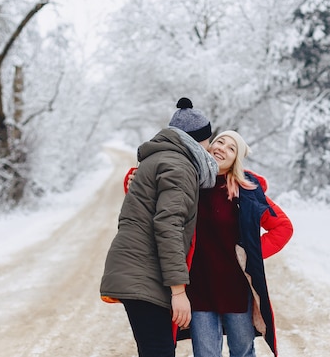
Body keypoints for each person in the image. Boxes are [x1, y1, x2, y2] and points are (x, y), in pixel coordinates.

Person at [100, 97, 218, 357]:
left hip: (140, 270)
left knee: (156, 350)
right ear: (198, 140)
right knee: (159, 350)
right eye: (208, 140)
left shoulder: (161, 159)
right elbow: (168, 225)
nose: (210, 148)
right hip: (144, 273)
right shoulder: (180, 166)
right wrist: (178, 291)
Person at [186, 130, 293, 357]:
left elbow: (283, 227)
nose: (222, 148)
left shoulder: (246, 191)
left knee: (243, 352)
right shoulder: (189, 181)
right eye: (220, 142)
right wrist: (133, 178)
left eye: (231, 148)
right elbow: (152, 194)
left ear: (237, 159)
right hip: (199, 287)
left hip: (235, 288)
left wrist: (249, 254)